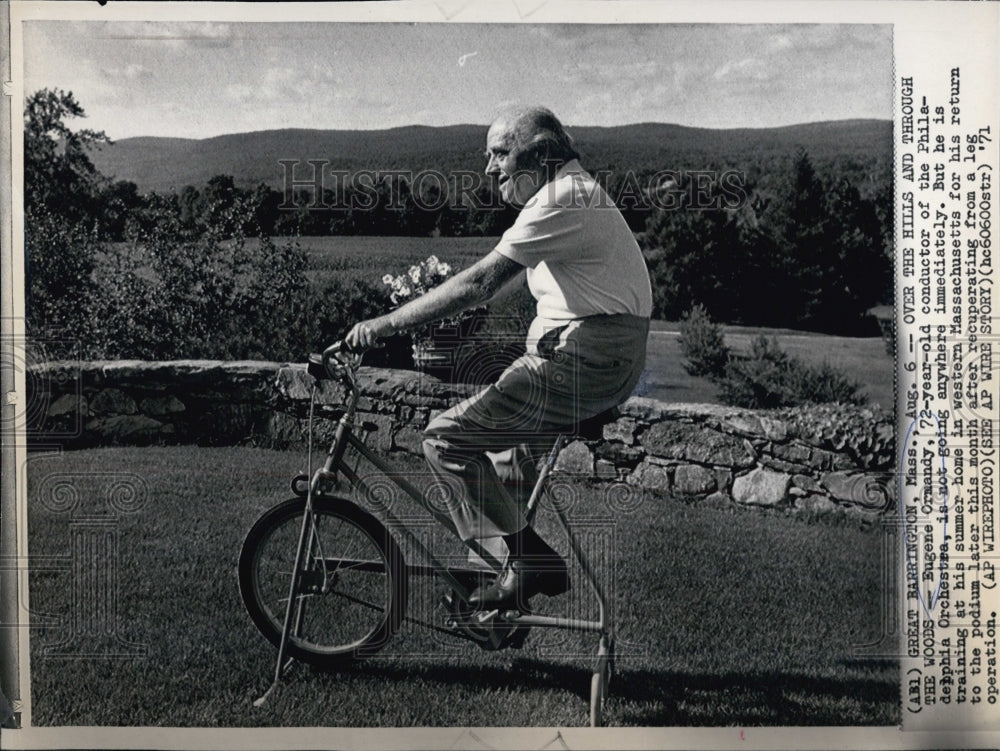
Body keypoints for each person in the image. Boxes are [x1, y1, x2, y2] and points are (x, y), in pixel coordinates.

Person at [344, 105, 651, 610]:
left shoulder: (562, 198)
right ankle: (501, 609)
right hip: (590, 354)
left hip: (589, 357)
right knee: (505, 470)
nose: (490, 169)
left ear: (541, 154)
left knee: (445, 440)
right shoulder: (569, 194)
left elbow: (481, 284)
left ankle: (531, 562)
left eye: (500, 154)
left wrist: (383, 325)